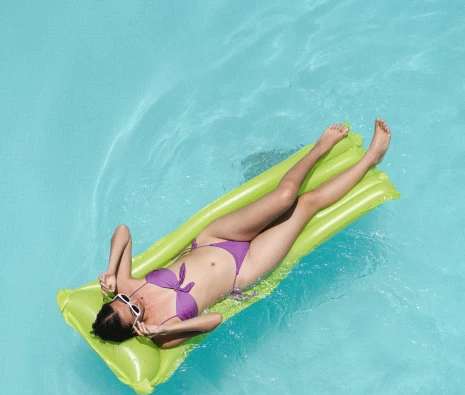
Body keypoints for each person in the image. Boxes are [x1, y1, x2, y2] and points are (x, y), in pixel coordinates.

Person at [93, 119, 391, 348]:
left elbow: (123, 232)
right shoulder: (163, 335)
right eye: (134, 310)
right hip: (243, 269)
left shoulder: (126, 285)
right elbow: (214, 320)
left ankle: (319, 148)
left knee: (285, 196)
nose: (135, 301)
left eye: (124, 299)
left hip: (214, 239)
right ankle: (370, 160)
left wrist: (110, 269)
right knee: (306, 205)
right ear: (134, 328)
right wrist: (162, 329)